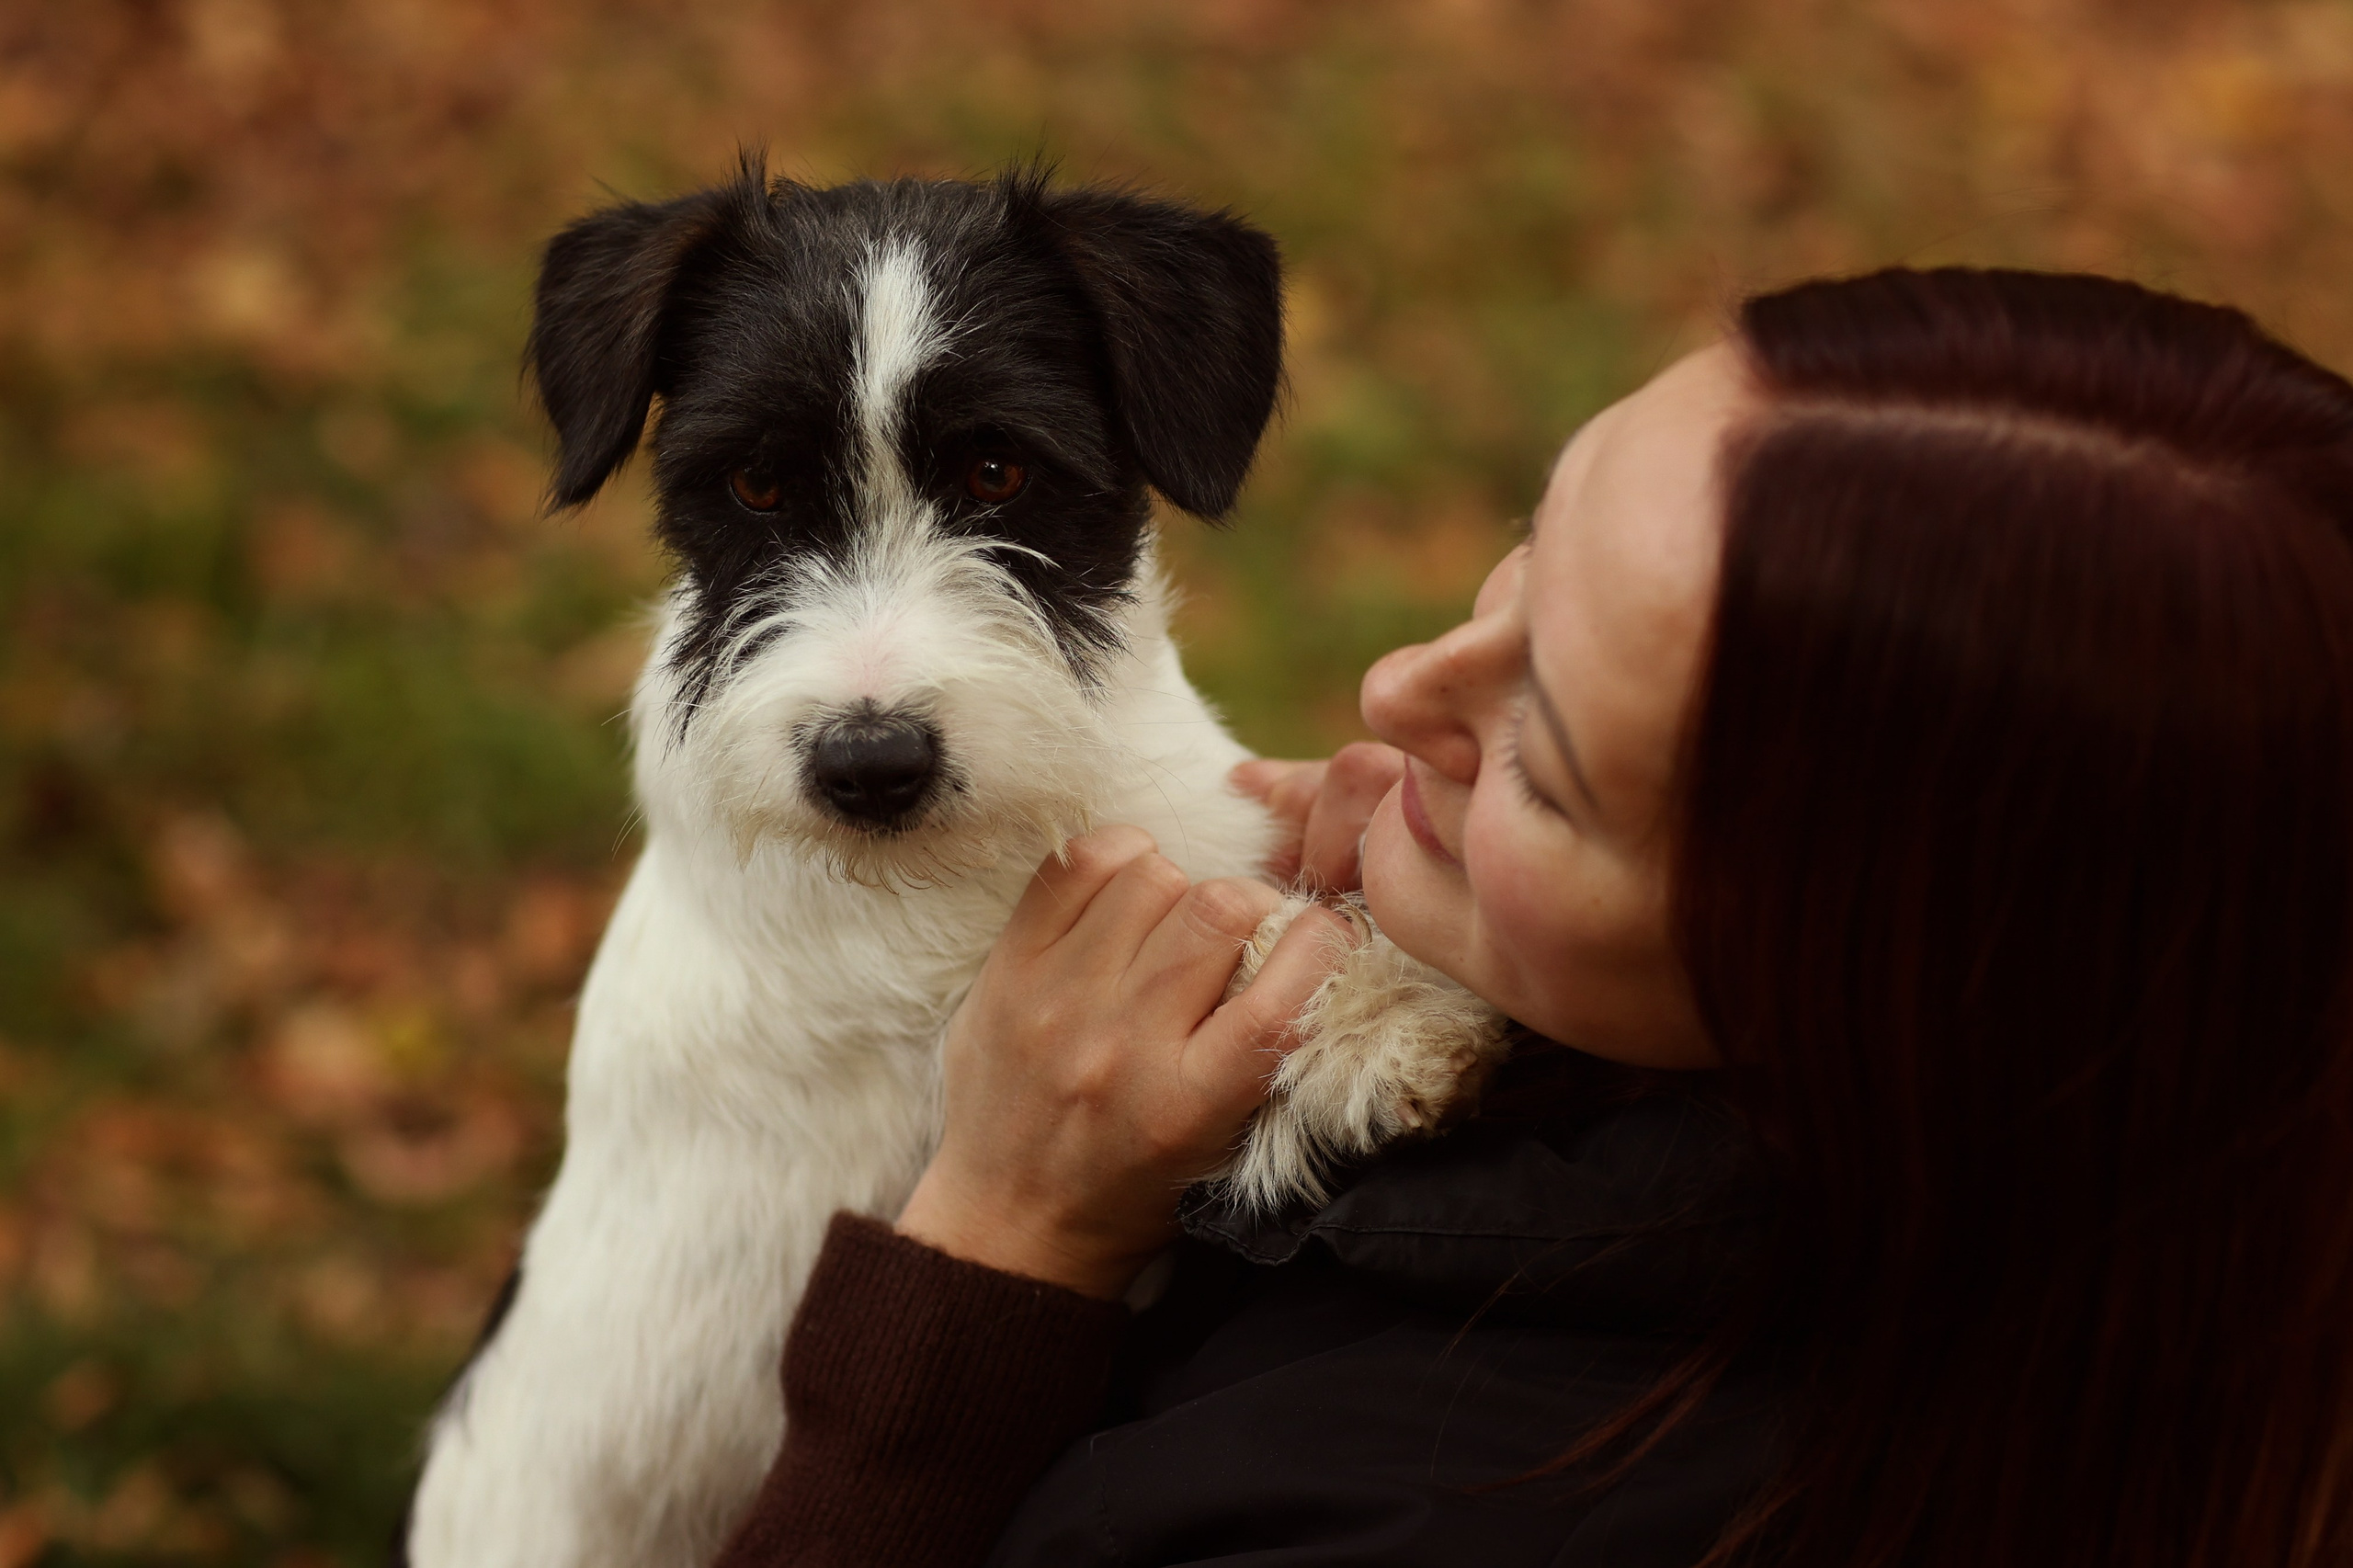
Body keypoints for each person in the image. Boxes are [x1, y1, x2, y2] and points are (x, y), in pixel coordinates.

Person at [713, 268, 2353, 1568]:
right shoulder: (2149, 1217)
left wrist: (1000, 1252)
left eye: (1547, 769)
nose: (1395, 685)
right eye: (1531, 545)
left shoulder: (1404, 1516)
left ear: (1829, 990)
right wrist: (1458, 952)